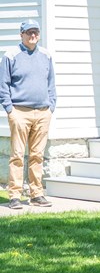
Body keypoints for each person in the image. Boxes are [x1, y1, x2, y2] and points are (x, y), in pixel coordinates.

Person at [0, 19, 56, 210]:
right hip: (19, 112)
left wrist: (51, 107)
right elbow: (3, 85)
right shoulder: (11, 55)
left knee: (37, 155)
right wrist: (10, 109)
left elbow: (51, 84)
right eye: (29, 32)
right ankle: (15, 195)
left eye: (36, 32)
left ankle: (36, 194)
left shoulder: (46, 55)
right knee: (17, 155)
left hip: (42, 112)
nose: (33, 36)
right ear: (21, 34)